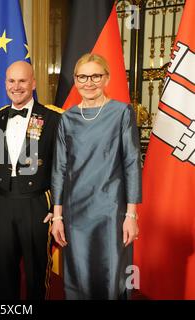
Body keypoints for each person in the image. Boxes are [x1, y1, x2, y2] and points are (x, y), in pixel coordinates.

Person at [50, 53, 142, 300]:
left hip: (111, 212)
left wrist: (131, 214)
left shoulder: (121, 113)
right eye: (82, 76)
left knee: (111, 275)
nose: (88, 82)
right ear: (75, 79)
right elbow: (59, 168)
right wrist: (57, 216)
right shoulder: (67, 118)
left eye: (95, 76)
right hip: (74, 211)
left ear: (107, 78)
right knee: (78, 277)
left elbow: (132, 162)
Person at [0, 61, 63, 300]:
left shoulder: (53, 118)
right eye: (11, 81)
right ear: (5, 83)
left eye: (22, 81)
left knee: (36, 271)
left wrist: (55, 207)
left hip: (36, 203)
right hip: (3, 202)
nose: (16, 86)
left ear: (33, 83)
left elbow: (62, 167)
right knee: (5, 270)